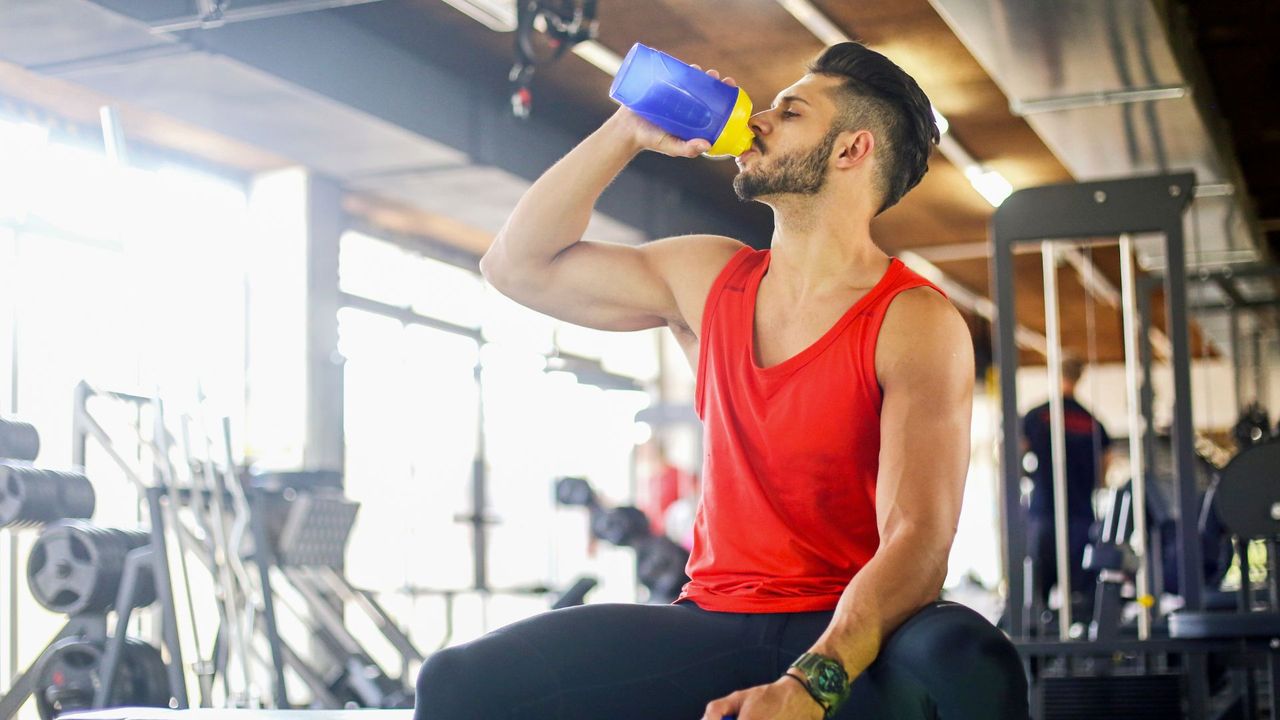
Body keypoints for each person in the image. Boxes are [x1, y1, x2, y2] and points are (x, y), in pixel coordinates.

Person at [415, 41, 975, 720]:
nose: (759, 120)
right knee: (457, 683)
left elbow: (918, 540)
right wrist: (626, 131)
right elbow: (516, 266)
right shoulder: (707, 277)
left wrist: (810, 686)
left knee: (972, 664)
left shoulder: (912, 320)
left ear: (850, 151)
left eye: (789, 112)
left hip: (847, 631)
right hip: (714, 617)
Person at [1021, 354, 1112, 621]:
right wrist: (1094, 483)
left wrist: (1027, 475)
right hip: (1081, 513)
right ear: (1079, 378)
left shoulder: (1037, 415)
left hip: (1044, 511)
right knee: (1081, 596)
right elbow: (1105, 463)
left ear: (1057, 376)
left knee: (1039, 595)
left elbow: (1014, 452)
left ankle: (1040, 640)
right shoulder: (1092, 421)